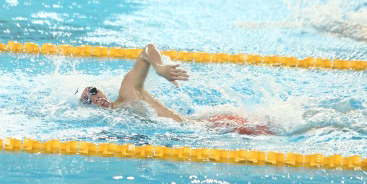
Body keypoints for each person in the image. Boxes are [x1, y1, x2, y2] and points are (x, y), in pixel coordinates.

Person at [78, 43, 273, 135]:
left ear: (101, 90)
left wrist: (159, 67)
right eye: (89, 99)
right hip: (203, 130)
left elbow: (148, 50)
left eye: (93, 91)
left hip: (207, 125)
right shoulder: (117, 122)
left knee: (273, 134)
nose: (95, 98)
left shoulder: (127, 93)